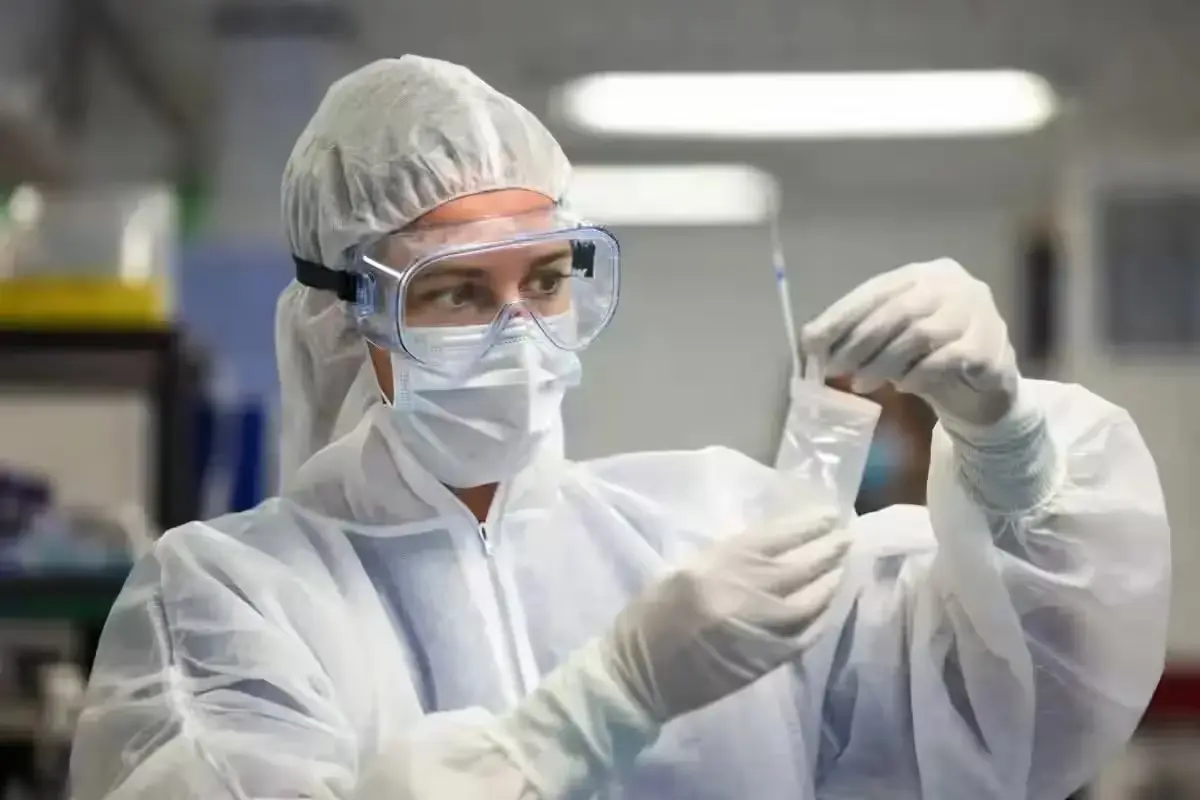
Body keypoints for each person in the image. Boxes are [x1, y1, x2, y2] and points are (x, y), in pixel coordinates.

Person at [69, 55, 1170, 800]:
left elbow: (1025, 712)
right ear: (343, 321)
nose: (518, 335)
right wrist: (607, 703)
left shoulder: (709, 530)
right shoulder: (228, 598)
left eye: (547, 279)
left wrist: (1008, 440)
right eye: (455, 294)